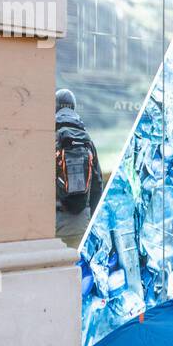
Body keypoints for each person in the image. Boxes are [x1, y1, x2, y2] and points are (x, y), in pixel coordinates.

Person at [55, 88, 103, 247]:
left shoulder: (50, 137)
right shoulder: (87, 140)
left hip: (55, 226)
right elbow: (97, 187)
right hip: (82, 224)